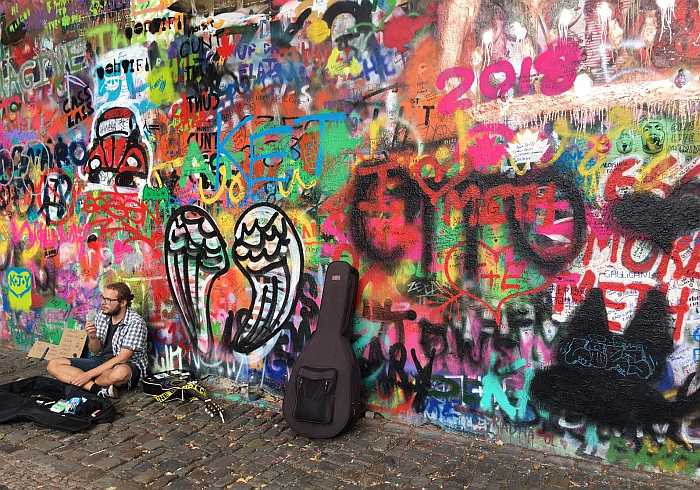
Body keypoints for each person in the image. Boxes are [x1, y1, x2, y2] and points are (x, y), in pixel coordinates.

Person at [47, 282, 148, 398]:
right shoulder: (102, 315)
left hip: (125, 365)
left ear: (123, 302)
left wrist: (88, 375)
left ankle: (79, 380)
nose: (104, 303)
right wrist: (92, 336)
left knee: (120, 373)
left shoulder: (135, 322)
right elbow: (95, 350)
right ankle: (98, 389)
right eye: (103, 298)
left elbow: (123, 357)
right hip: (101, 361)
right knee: (53, 364)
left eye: (109, 300)